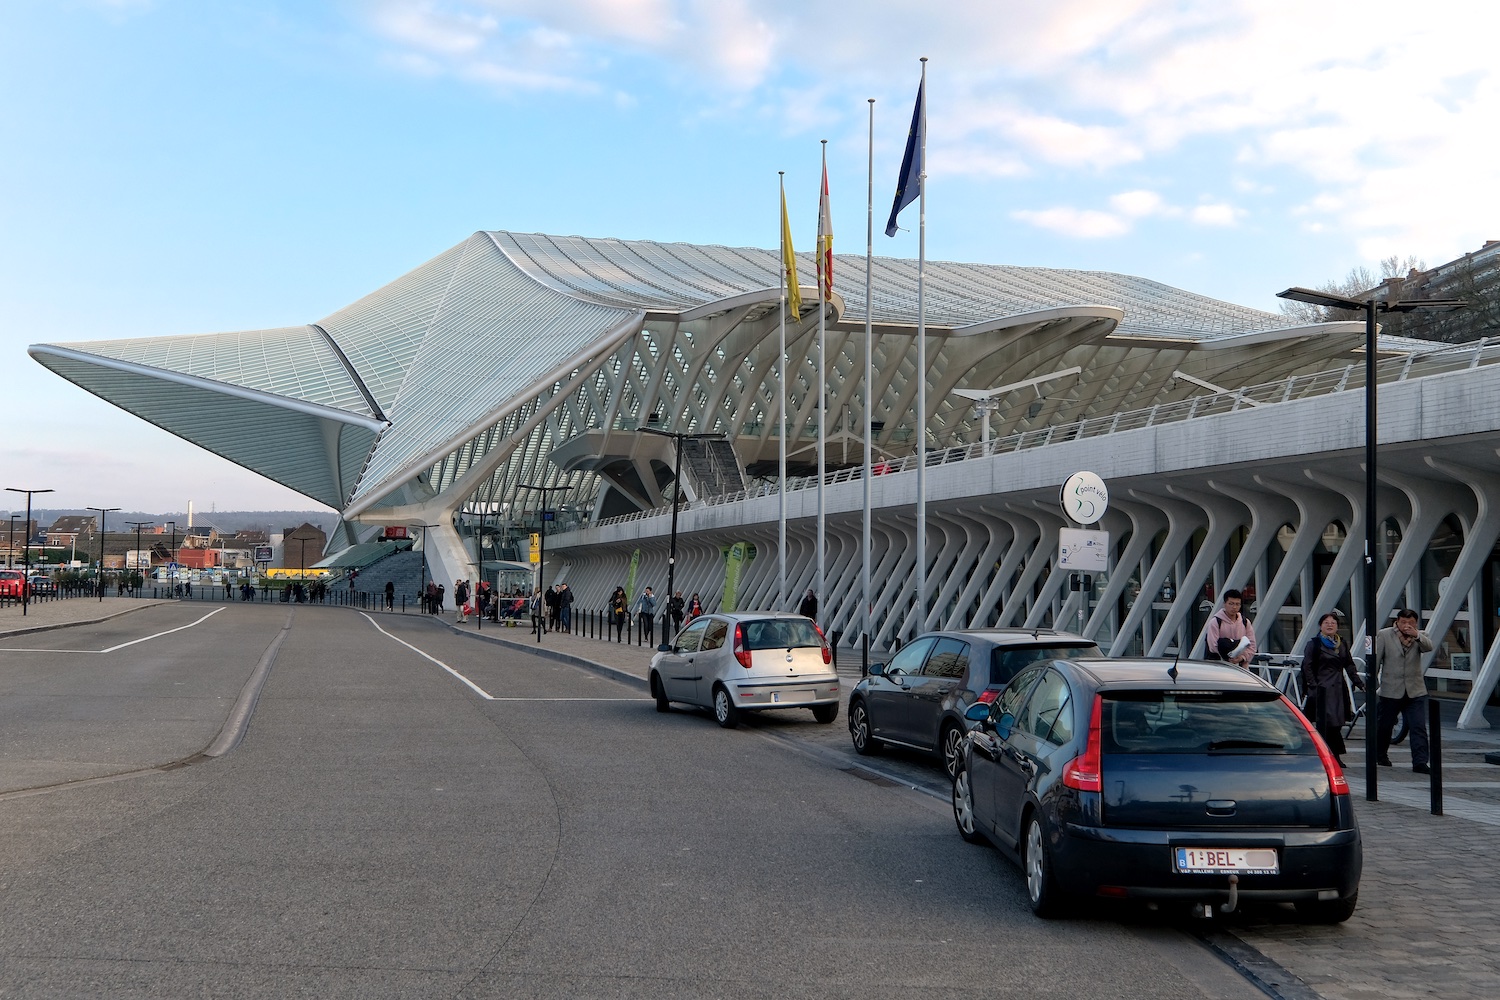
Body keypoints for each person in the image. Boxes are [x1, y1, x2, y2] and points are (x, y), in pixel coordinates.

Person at [1374, 609, 1435, 774]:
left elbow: (1429, 647)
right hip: (1391, 689)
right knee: (1385, 725)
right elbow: (1376, 660)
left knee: (1418, 726)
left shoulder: (1420, 636)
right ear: (1397, 622)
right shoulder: (1384, 635)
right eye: (1403, 622)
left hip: (1415, 690)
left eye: (1411, 623)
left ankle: (1420, 762)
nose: (1407, 626)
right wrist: (1373, 683)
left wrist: (1416, 634)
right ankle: (1381, 754)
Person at [1300, 613, 1364, 764]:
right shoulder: (1314, 644)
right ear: (1320, 626)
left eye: (1333, 623)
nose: (1330, 625)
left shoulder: (1342, 644)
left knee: (1336, 723)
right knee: (1327, 724)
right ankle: (1331, 755)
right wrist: (1313, 685)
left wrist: (1358, 681)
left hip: (1338, 689)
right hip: (1321, 689)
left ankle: (1333, 755)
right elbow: (1307, 666)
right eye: (1326, 623)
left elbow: (1349, 664)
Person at [1205, 588, 1257, 667]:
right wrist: (1228, 657)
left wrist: (1242, 658)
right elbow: (1213, 646)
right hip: (1220, 666)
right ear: (1224, 604)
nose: (1234, 607)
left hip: (1241, 668)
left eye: (1237, 604)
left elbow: (1252, 645)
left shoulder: (1245, 622)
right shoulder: (1215, 622)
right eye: (1231, 603)